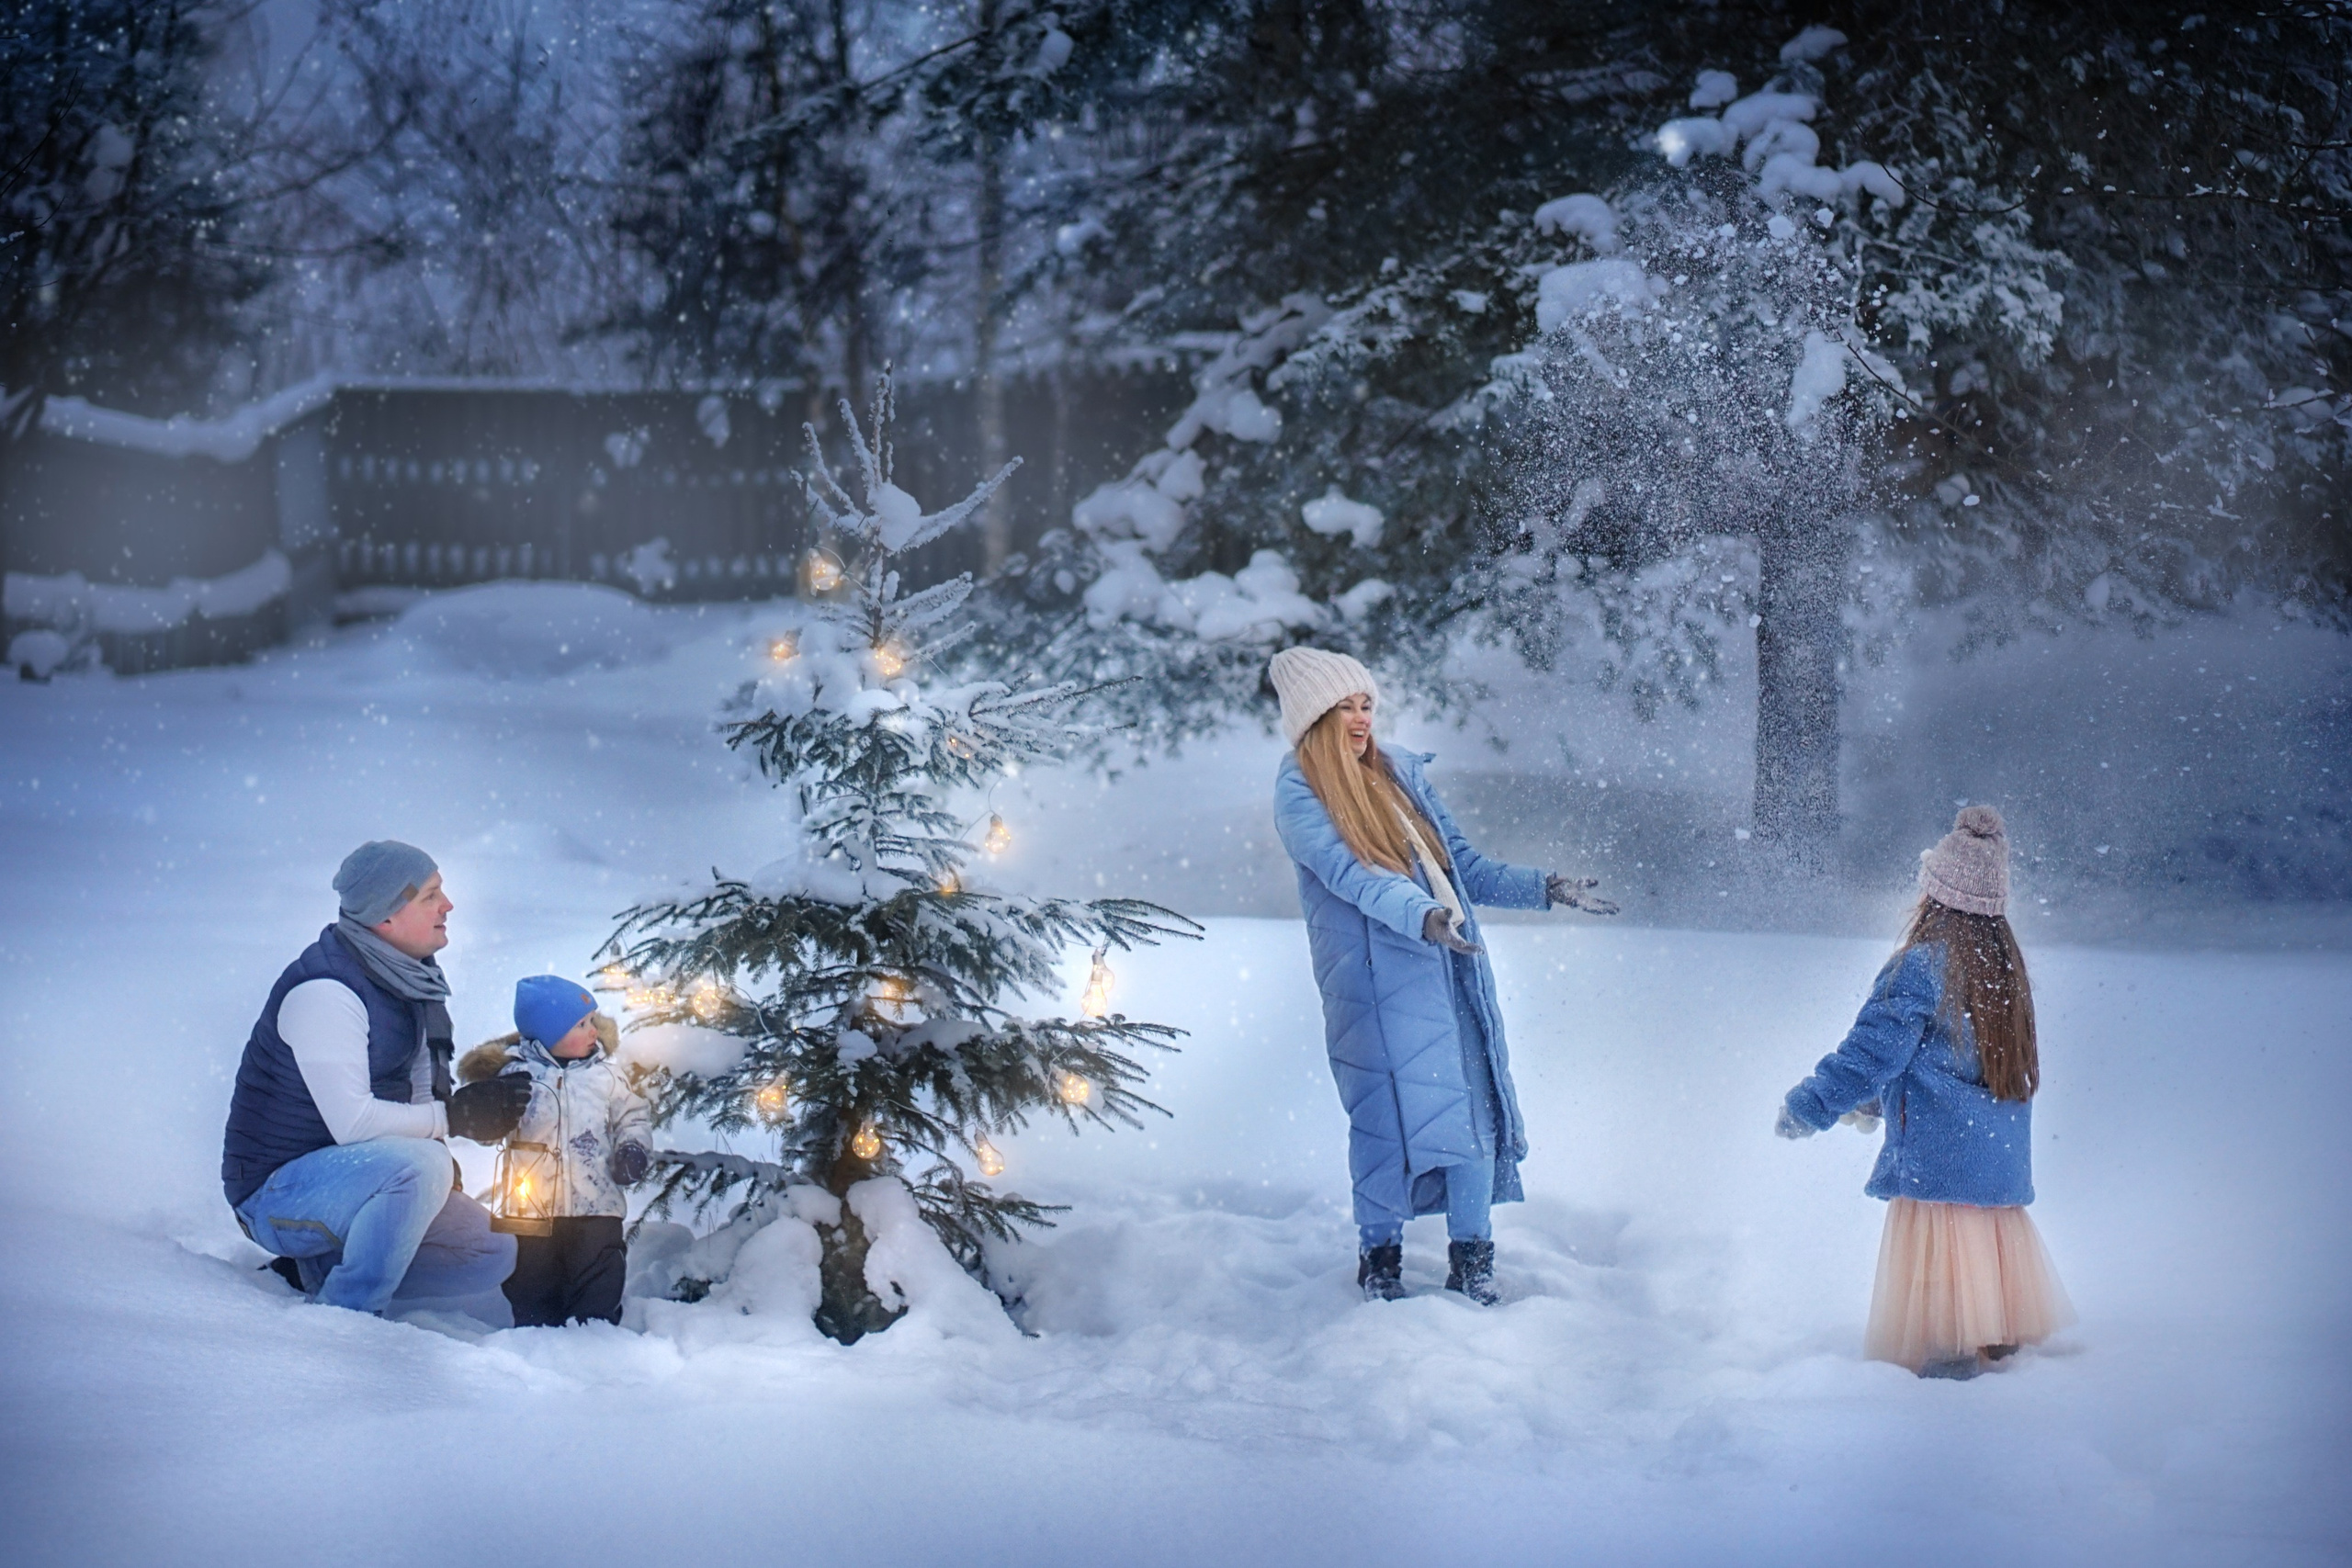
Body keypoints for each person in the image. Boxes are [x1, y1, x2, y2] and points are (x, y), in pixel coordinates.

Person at [1268, 647, 1618, 1305]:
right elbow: (1353, 873)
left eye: (1366, 702)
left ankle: (1473, 1257)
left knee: (1473, 1113)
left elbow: (1464, 866)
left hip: (1447, 968)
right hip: (1373, 987)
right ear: (1313, 717)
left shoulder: (1399, 772)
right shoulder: (1300, 790)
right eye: (1344, 705)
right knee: (1382, 1122)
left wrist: (1544, 887)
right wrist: (1424, 914)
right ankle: (1380, 1257)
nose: (1360, 717)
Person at [1775, 806, 2076, 1379]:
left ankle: (1944, 1387)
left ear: (1937, 899)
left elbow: (1870, 1055)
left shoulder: (1919, 966)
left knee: (1944, 1322)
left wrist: (1811, 1104)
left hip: (1941, 1170)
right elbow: (1952, 1059)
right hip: (1994, 1176)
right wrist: (1874, 1102)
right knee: (1990, 1310)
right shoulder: (2004, 970)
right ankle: (2006, 1380)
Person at [220, 840, 532, 1314]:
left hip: (360, 1176)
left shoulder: (412, 978)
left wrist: (445, 1147)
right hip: (275, 1194)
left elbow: (420, 1095)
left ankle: (317, 1271)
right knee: (422, 1165)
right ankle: (348, 1315)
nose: (447, 906)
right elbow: (353, 1124)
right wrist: (452, 1119)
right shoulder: (327, 992)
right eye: (429, 896)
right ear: (386, 916)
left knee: (490, 1252)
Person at [457, 976, 654, 1327]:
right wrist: (485, 1119)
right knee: (531, 1278)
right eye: (581, 1024)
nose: (594, 1030)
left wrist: (633, 1148)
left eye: (592, 1020)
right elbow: (491, 1132)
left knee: (599, 1274)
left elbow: (633, 1115)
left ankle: (596, 1334)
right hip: (530, 1209)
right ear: (548, 1034)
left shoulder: (606, 1077)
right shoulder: (516, 1076)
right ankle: (536, 1336)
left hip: (597, 1203)